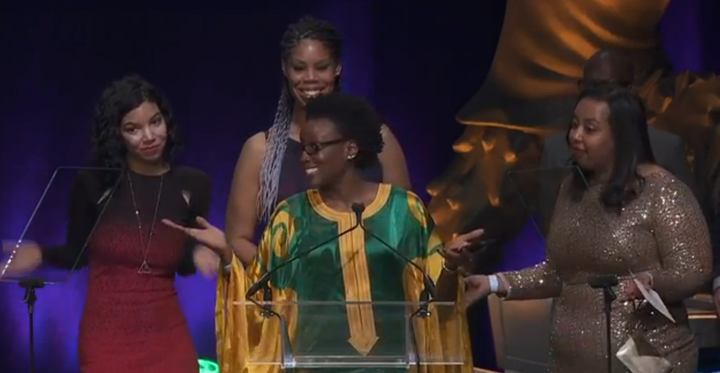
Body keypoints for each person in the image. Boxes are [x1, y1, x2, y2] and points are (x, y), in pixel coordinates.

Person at [165, 92, 481, 373]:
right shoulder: (291, 217)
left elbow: (438, 305)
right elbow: (261, 305)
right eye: (303, 148)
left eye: (316, 148)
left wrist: (451, 265)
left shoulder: (405, 210)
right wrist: (227, 257)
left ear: (351, 148)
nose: (305, 157)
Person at [464, 86, 712, 373]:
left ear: (621, 137)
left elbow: (694, 269)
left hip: (644, 362)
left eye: (590, 129)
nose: (575, 136)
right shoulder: (571, 189)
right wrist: (492, 283)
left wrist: (650, 281)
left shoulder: (662, 191)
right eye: (573, 125)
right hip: (569, 362)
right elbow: (558, 273)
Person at [1, 75, 215, 373]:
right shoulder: (93, 183)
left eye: (155, 122)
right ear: (117, 135)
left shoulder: (194, 184)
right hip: (107, 341)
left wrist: (199, 253)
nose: (149, 136)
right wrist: (41, 254)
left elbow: (180, 260)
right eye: (133, 129)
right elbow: (77, 252)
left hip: (167, 337)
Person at [225, 16, 411, 265]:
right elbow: (237, 239)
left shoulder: (378, 139)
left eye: (321, 67)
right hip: (291, 298)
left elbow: (408, 225)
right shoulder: (260, 149)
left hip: (370, 293)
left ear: (337, 68)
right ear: (284, 68)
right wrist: (289, 277)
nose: (310, 78)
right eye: (299, 68)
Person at [536, 48, 697, 233]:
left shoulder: (666, 151)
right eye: (590, 86)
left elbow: (689, 230)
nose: (576, 137)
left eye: (607, 87)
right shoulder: (556, 151)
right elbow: (550, 227)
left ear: (630, 91)